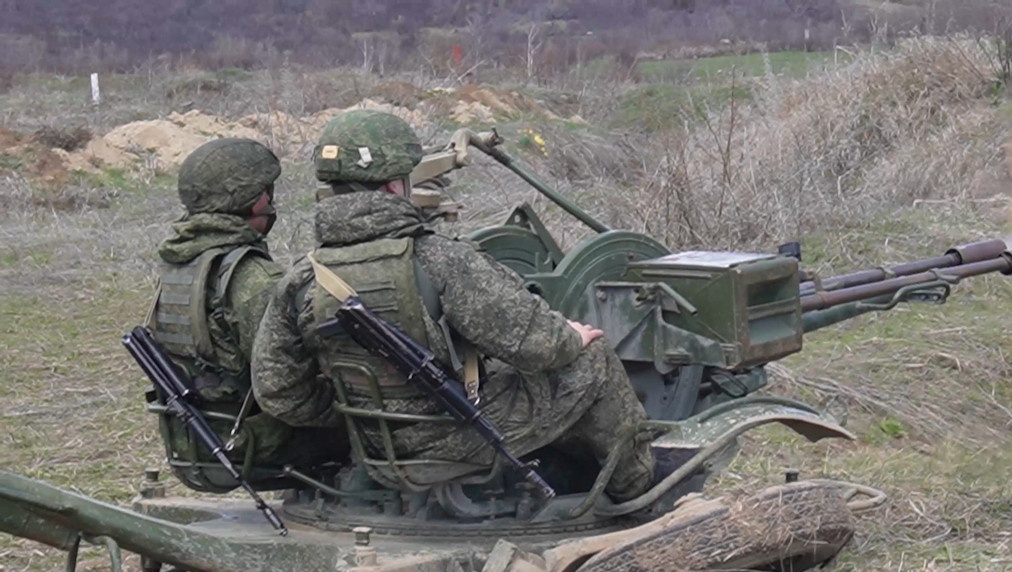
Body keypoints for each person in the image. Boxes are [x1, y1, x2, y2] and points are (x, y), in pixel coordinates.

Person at [251, 109, 655, 502]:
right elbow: (540, 345)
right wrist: (572, 337)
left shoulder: (302, 278)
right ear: (395, 186)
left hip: (374, 446)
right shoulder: (441, 259)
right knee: (594, 359)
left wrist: (361, 411)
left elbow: (279, 392)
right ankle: (636, 493)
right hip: (464, 431)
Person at [145, 137, 345, 489]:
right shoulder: (251, 278)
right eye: (268, 193)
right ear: (255, 201)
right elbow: (289, 383)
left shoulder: (181, 266)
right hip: (257, 444)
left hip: (201, 439)